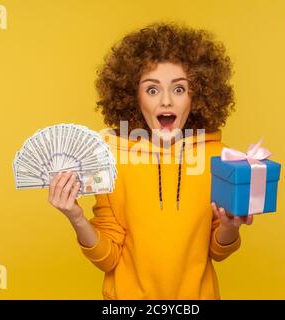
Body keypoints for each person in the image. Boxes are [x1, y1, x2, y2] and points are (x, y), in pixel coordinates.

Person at [48, 22, 253, 300]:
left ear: (198, 95)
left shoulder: (220, 157)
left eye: (179, 89)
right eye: (152, 90)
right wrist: (75, 216)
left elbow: (218, 252)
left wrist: (229, 227)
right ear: (134, 96)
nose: (166, 101)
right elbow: (107, 259)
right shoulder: (110, 159)